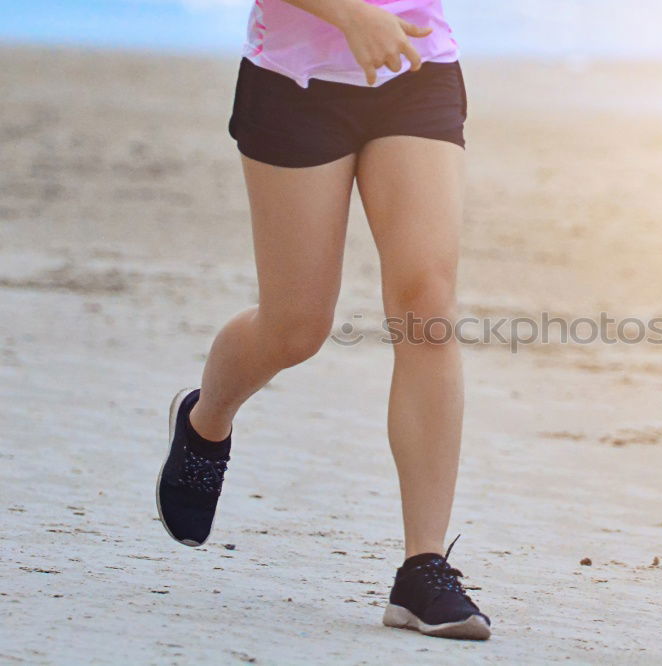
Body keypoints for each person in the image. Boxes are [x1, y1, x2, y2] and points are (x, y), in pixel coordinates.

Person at [154, 0, 490, 640]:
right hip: (293, 82)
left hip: (417, 64)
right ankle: (206, 419)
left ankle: (423, 566)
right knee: (296, 326)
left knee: (428, 304)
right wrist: (348, 16)